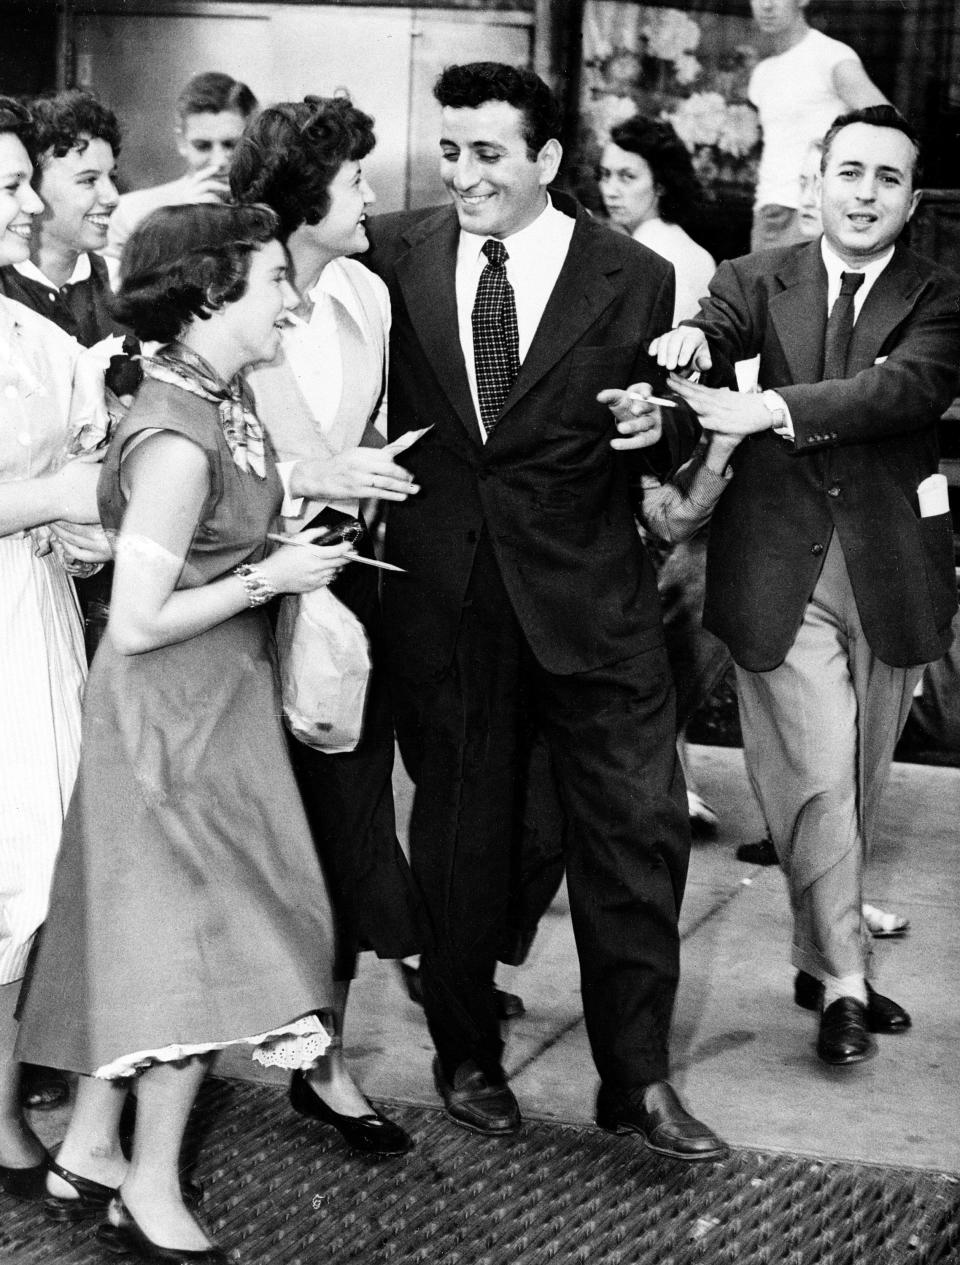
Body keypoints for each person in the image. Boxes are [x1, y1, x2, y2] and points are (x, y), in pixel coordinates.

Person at [365, 61, 727, 1161]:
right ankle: (466, 1052)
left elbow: (656, 420)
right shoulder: (394, 252)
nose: (463, 172)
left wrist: (645, 423)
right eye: (453, 149)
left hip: (593, 598)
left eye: (488, 152)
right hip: (450, 601)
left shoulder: (630, 272)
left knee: (635, 833)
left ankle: (639, 1079)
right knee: (462, 840)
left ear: (547, 160)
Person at [16, 202, 355, 1260]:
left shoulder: (221, 396)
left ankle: (90, 1150)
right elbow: (140, 621)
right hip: (167, 726)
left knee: (176, 947)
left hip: (217, 713)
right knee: (207, 958)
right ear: (210, 298)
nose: (292, 300)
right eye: (271, 285)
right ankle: (150, 1187)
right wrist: (273, 572)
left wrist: (269, 538)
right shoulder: (175, 430)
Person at [652, 105, 960, 1066]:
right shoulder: (751, 278)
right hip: (780, 568)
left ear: (912, 202)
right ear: (816, 183)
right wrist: (691, 344)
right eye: (850, 172)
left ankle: (816, 951)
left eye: (887, 179)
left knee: (856, 781)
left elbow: (901, 392)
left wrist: (768, 406)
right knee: (819, 775)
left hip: (890, 570)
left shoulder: (941, 296)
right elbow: (717, 323)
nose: (865, 193)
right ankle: (846, 981)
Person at [229, 95, 424, 1158]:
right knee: (236, 841)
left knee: (345, 828)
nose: (372, 198)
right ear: (304, 200)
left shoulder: (361, 292)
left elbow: (369, 425)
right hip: (237, 599)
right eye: (354, 180)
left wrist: (372, 471)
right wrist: (309, 478)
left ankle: (326, 1062)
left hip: (340, 595)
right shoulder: (232, 288)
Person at [0, 94, 114, 1199]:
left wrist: (90, 517)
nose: (24, 204)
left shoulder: (40, 341)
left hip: (28, 621)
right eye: (3, 188)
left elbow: (80, 518)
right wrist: (56, 490)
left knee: (34, 865)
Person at [748, 0, 886, 251]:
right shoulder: (763, 73)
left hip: (813, 213)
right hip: (767, 209)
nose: (766, 5)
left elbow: (886, 126)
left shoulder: (831, 56)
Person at [105, 71, 257, 261]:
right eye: (202, 146)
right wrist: (183, 227)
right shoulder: (130, 215)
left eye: (231, 145)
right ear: (181, 141)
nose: (218, 161)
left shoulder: (268, 216)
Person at [598, 115, 716, 324]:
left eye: (628, 176)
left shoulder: (646, 253)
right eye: (606, 175)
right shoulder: (678, 242)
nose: (610, 191)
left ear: (661, 185)